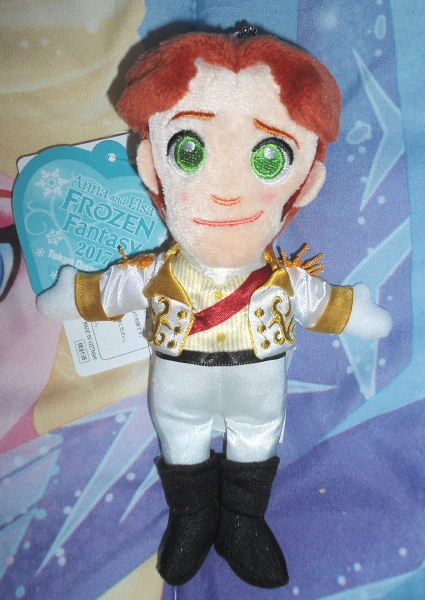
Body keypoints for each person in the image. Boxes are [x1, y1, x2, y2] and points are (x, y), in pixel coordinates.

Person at [38, 31, 392, 588]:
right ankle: (194, 515)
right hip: (181, 389)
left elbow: (321, 304)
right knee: (181, 440)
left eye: (269, 158)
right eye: (190, 151)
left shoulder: (282, 280)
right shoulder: (157, 273)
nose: (226, 189)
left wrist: (357, 313)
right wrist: (74, 297)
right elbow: (110, 292)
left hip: (257, 389)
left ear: (305, 185)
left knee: (258, 439)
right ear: (153, 166)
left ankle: (243, 520)